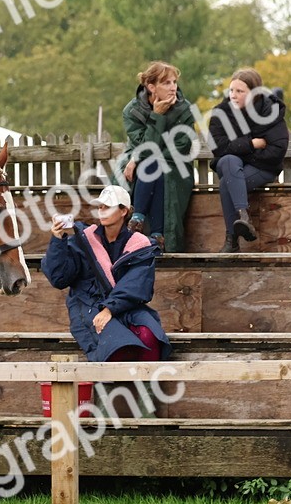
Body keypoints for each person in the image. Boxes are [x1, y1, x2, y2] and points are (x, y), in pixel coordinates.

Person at [42, 185, 171, 369]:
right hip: (88, 305)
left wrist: (109, 309)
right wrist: (57, 240)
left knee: (149, 337)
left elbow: (135, 284)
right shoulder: (83, 240)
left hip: (126, 305)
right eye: (100, 206)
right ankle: (113, 388)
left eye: (108, 206)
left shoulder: (140, 245)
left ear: (123, 211)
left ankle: (146, 387)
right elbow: (59, 278)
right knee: (116, 346)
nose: (102, 210)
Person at [207, 67, 290, 253]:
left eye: (239, 91)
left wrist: (241, 152)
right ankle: (243, 216)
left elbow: (276, 150)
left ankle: (232, 241)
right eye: (231, 90)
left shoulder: (269, 111)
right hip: (231, 166)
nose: (233, 95)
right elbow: (219, 148)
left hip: (263, 167)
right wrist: (251, 144)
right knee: (228, 161)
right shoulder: (221, 113)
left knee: (226, 183)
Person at [120, 61, 196, 253]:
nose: (173, 87)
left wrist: (138, 158)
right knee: (152, 163)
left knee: (154, 163)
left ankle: (138, 219)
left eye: (174, 82)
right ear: (151, 87)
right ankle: (155, 234)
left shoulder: (184, 109)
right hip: (141, 168)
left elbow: (181, 146)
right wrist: (157, 116)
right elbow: (142, 145)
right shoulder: (132, 110)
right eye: (166, 83)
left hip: (176, 167)